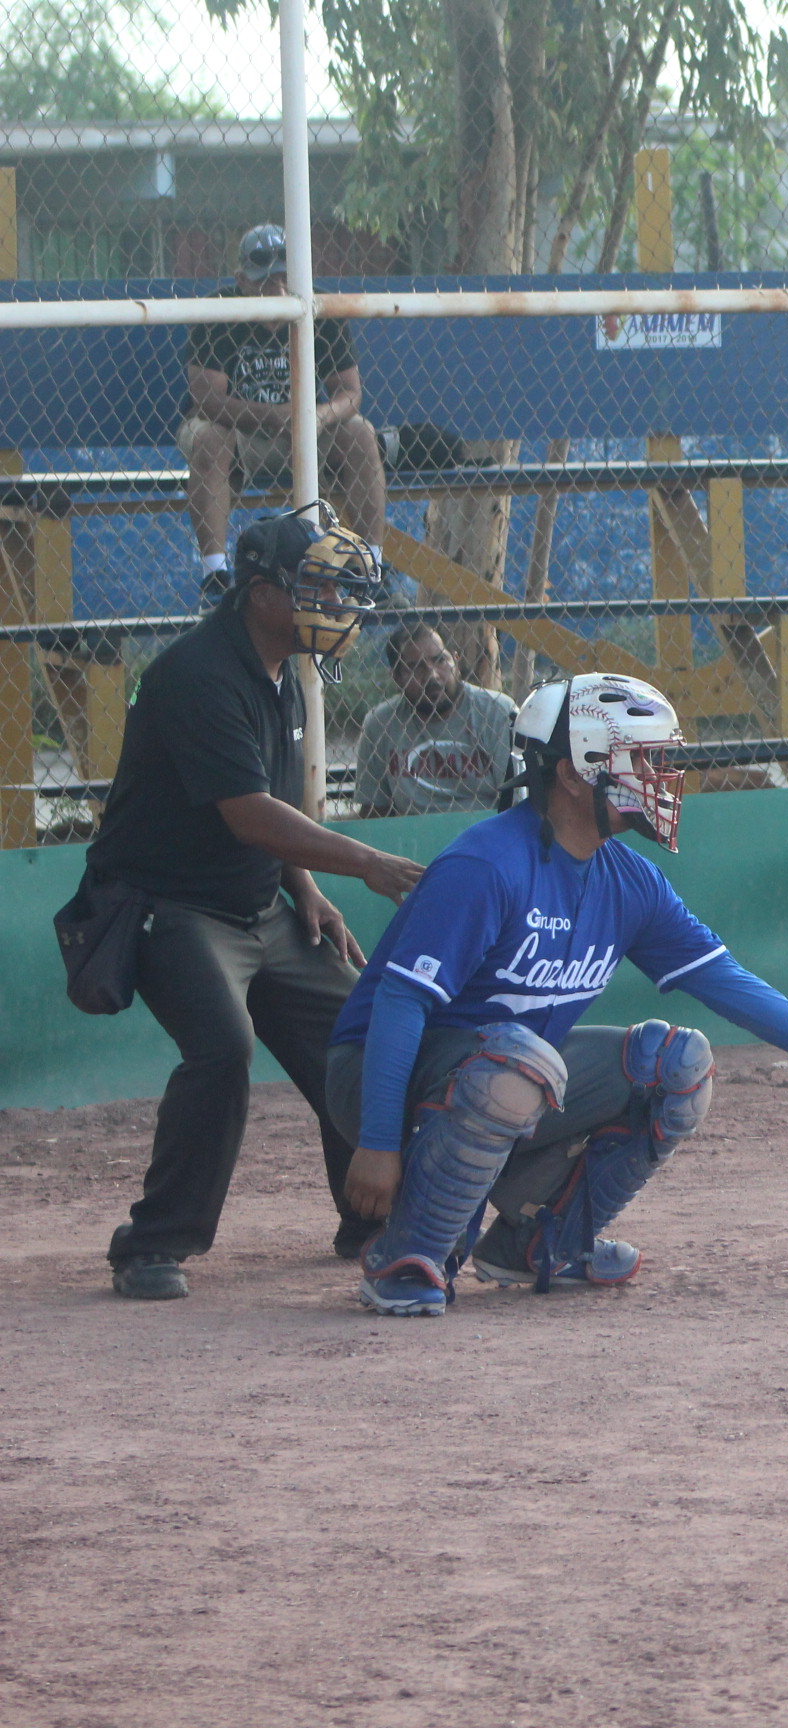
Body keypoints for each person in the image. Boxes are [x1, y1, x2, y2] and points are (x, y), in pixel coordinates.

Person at [325, 673, 788, 1318]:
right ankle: (409, 1255)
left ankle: (543, 1243)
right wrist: (375, 1144)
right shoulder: (487, 865)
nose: (660, 775)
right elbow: (400, 1005)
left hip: (501, 1077)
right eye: (642, 759)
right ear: (573, 773)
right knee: (520, 1064)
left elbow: (728, 983)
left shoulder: (630, 881)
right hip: (382, 1079)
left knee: (676, 1063)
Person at [87, 511, 426, 1301]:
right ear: (263, 595)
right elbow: (250, 814)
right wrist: (364, 864)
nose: (339, 605)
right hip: (168, 907)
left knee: (361, 1030)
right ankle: (152, 1242)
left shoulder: (283, 669)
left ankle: (368, 1213)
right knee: (222, 1050)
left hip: (258, 903)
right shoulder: (197, 674)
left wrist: (304, 887)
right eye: (320, 589)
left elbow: (272, 795)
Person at [181, 225, 387, 600]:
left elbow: (350, 393)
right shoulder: (218, 310)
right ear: (241, 280)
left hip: (306, 431)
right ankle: (215, 576)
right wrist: (272, 416)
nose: (277, 291)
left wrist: (319, 417)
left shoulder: (319, 305)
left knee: (361, 432)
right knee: (208, 436)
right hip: (239, 436)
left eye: (283, 279)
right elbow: (206, 401)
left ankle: (371, 567)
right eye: (265, 281)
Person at [354, 623, 519, 816]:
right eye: (414, 667)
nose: (431, 675)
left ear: (456, 662)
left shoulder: (497, 711)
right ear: (397, 677)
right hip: (415, 837)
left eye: (440, 661)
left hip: (487, 830)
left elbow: (517, 800)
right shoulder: (380, 723)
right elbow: (374, 810)